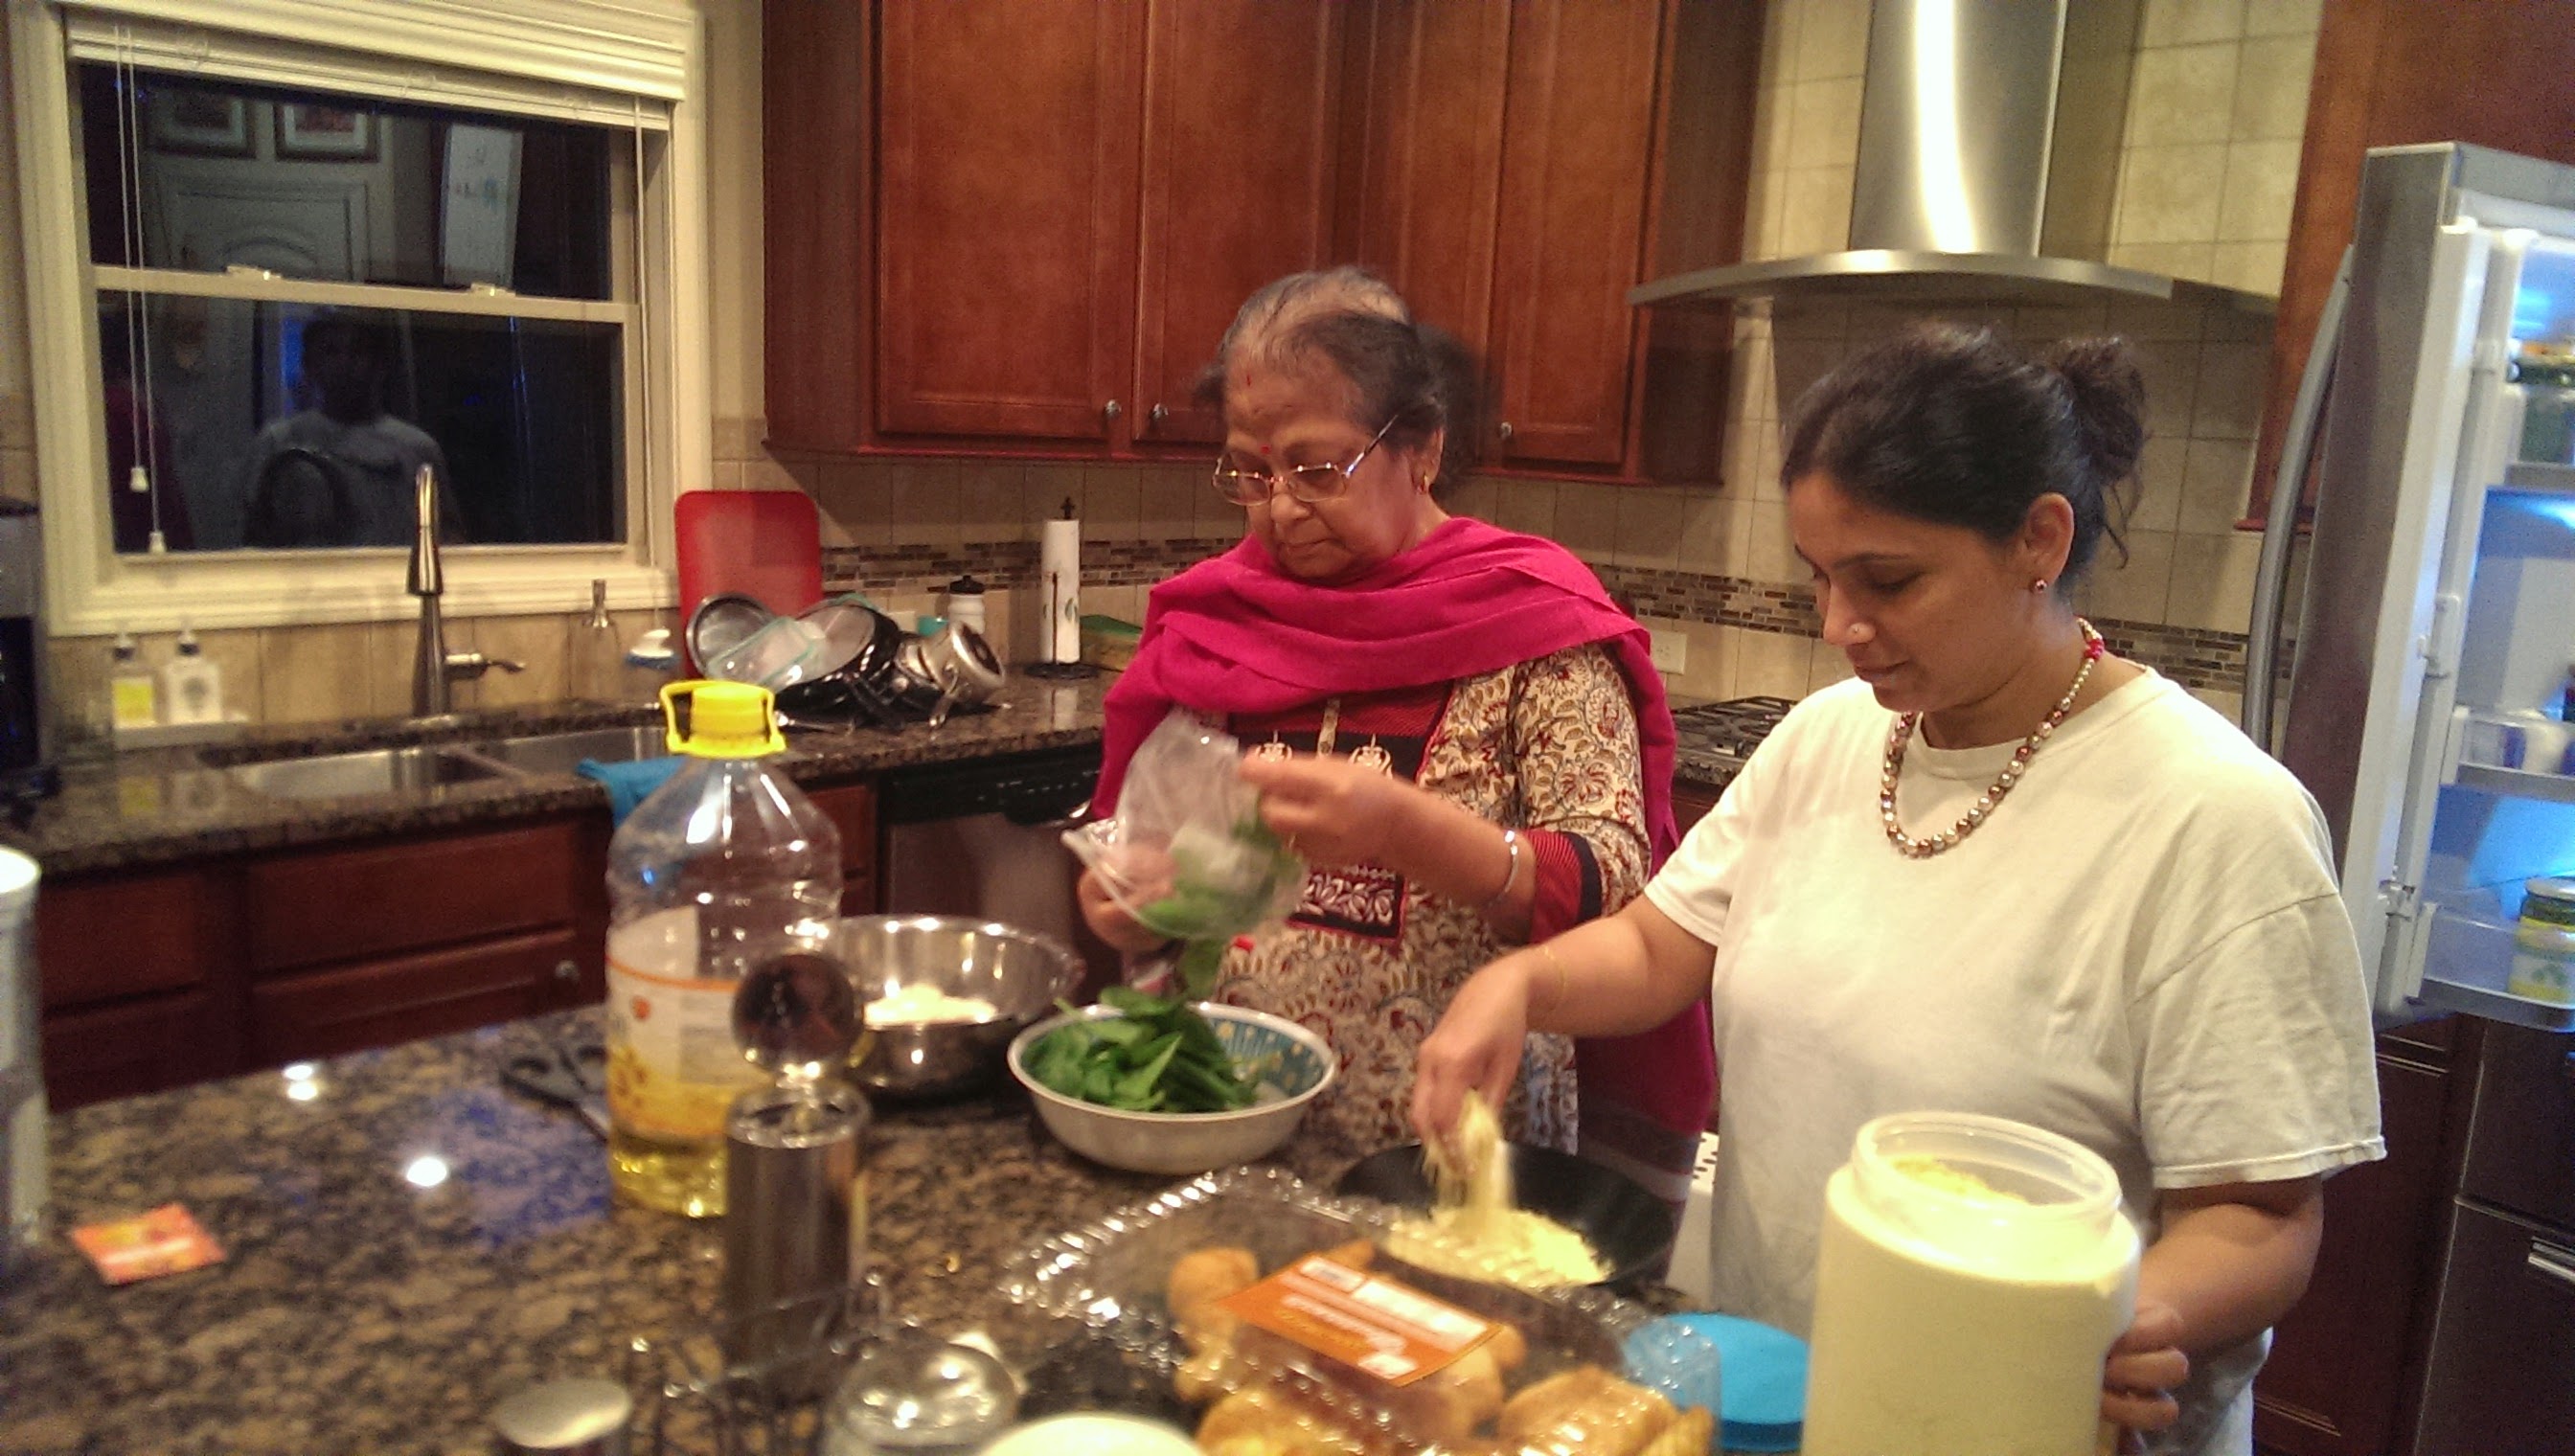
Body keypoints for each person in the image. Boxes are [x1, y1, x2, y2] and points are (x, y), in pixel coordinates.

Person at [1412, 323, 2385, 1454]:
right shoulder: (1829, 738)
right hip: (1787, 1402)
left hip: (2015, 1416)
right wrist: (1517, 987)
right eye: (1822, 578)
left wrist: (2112, 1320)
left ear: (2039, 537)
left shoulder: (2217, 819)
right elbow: (1658, 949)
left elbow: (2261, 1215)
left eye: (1889, 580)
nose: (1840, 628)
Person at [1078, 266, 1714, 1190]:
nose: (1281, 507)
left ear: (1420, 447)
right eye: (1251, 472)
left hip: (1444, 1148)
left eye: (1315, 467)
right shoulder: (1224, 619)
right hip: (1222, 1128)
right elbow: (1169, 849)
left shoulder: (1531, 624)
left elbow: (1614, 883)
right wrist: (1140, 906)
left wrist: (1407, 831)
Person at [239, 311, 454, 547]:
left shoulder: (417, 448)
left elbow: (448, 533)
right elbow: (251, 531)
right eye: (331, 351)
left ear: (379, 365)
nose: (345, 363)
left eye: (358, 351)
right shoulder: (279, 442)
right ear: (310, 365)